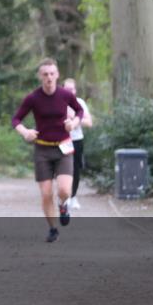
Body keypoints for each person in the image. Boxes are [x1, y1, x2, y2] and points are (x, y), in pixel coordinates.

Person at [11, 58, 84, 243]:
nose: (49, 78)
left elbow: (79, 111)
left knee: (65, 190)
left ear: (57, 75)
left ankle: (63, 205)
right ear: (40, 76)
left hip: (64, 147)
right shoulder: (33, 98)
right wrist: (25, 132)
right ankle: (53, 228)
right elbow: (16, 120)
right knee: (45, 193)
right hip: (42, 149)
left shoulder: (65, 95)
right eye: (45, 74)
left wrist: (73, 123)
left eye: (52, 74)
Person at [62, 78, 93, 210]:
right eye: (67, 89)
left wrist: (75, 116)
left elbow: (89, 123)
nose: (70, 91)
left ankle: (73, 197)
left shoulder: (80, 103)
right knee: (63, 170)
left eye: (72, 89)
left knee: (75, 170)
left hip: (77, 140)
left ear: (75, 90)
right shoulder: (58, 102)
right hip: (62, 140)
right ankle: (65, 197)